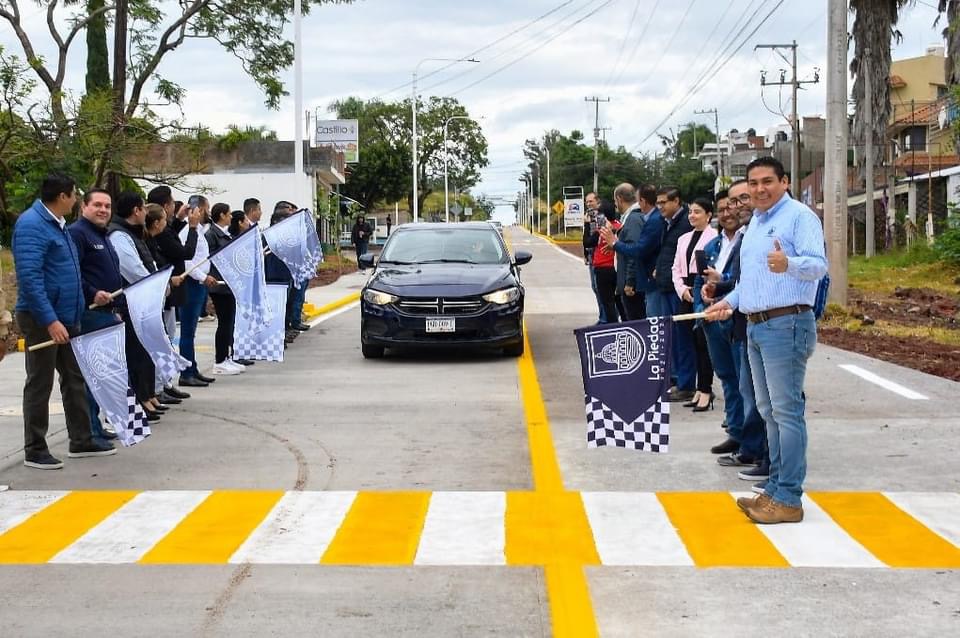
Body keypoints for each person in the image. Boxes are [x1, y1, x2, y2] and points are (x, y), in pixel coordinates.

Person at [706, 156, 827, 524]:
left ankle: (789, 497)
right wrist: (728, 302)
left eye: (767, 181)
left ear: (784, 182)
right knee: (768, 412)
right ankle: (774, 489)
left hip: (787, 324)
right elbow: (751, 282)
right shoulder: (757, 223)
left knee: (786, 412)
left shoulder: (799, 217)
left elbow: (818, 265)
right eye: (753, 183)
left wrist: (788, 263)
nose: (759, 189)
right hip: (756, 326)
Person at [13, 173, 116, 469]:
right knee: (40, 383)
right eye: (75, 194)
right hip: (41, 318)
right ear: (63, 197)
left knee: (74, 377)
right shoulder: (32, 225)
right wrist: (50, 321)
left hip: (68, 315)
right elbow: (31, 280)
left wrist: (91, 296)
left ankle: (81, 439)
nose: (75, 199)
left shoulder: (59, 226)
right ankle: (35, 448)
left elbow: (69, 273)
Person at [701, 180, 770, 483]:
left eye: (740, 200)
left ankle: (764, 454)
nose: (734, 208)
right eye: (728, 204)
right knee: (735, 382)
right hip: (732, 318)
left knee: (767, 398)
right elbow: (744, 284)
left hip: (765, 323)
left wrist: (724, 286)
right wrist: (716, 294)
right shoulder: (720, 242)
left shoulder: (773, 228)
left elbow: (812, 273)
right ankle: (741, 435)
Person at [68, 188, 124, 443]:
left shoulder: (102, 234)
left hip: (107, 313)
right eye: (98, 205)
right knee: (92, 376)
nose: (103, 210)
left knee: (102, 376)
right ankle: (89, 430)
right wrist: (92, 293)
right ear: (84, 207)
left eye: (107, 206)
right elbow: (73, 273)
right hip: (90, 314)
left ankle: (97, 426)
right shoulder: (78, 234)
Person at [108, 192, 165, 421]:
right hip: (132, 301)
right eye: (143, 208)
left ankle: (147, 394)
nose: (145, 212)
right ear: (135, 211)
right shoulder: (120, 235)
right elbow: (133, 270)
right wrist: (155, 285)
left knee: (145, 350)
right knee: (135, 353)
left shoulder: (133, 233)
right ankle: (140, 399)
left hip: (143, 300)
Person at [649, 187, 695, 402]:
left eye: (663, 203)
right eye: (658, 203)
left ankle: (686, 383)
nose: (660, 207)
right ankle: (677, 379)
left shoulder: (685, 223)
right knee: (672, 336)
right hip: (667, 284)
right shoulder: (670, 223)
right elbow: (667, 252)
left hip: (679, 288)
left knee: (681, 337)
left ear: (676, 201)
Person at [672, 197, 718, 412]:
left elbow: (713, 267)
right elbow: (675, 268)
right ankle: (696, 388)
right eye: (690, 211)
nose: (692, 215)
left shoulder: (714, 238)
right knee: (688, 342)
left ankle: (705, 388)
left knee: (703, 343)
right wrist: (682, 290)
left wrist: (700, 291)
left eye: (697, 212)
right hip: (686, 293)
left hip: (704, 291)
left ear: (709, 215)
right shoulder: (683, 239)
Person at [601, 184, 664, 321]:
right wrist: (615, 246)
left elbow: (635, 251)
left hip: (635, 284)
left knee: (635, 320)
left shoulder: (634, 219)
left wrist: (630, 281)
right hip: (637, 280)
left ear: (619, 198)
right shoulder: (633, 217)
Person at [179, 196, 218, 387]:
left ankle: (192, 368)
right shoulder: (188, 231)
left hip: (199, 285)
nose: (208, 212)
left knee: (191, 331)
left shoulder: (200, 231)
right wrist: (203, 277)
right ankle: (186, 372)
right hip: (192, 284)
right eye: (206, 208)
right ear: (199, 210)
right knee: (187, 331)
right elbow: (187, 262)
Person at [205, 203, 246, 375]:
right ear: (221, 215)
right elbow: (212, 259)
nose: (231, 217)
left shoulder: (225, 234)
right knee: (224, 323)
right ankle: (220, 360)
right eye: (228, 214)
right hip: (219, 285)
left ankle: (227, 356)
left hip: (228, 283)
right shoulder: (211, 234)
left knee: (229, 322)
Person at [583, 200, 622, 323]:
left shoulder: (603, 229)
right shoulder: (619, 226)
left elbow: (588, 242)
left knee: (608, 302)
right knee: (619, 301)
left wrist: (587, 224)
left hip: (603, 269)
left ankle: (611, 326)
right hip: (616, 268)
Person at [582, 192, 605, 322]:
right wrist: (585, 253)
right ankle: (602, 316)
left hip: (599, 255)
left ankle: (605, 318)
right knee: (595, 288)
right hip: (591, 255)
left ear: (598, 202)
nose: (589, 204)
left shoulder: (601, 217)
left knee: (599, 288)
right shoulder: (587, 217)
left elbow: (594, 239)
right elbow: (585, 237)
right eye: (587, 202)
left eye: (591, 201)